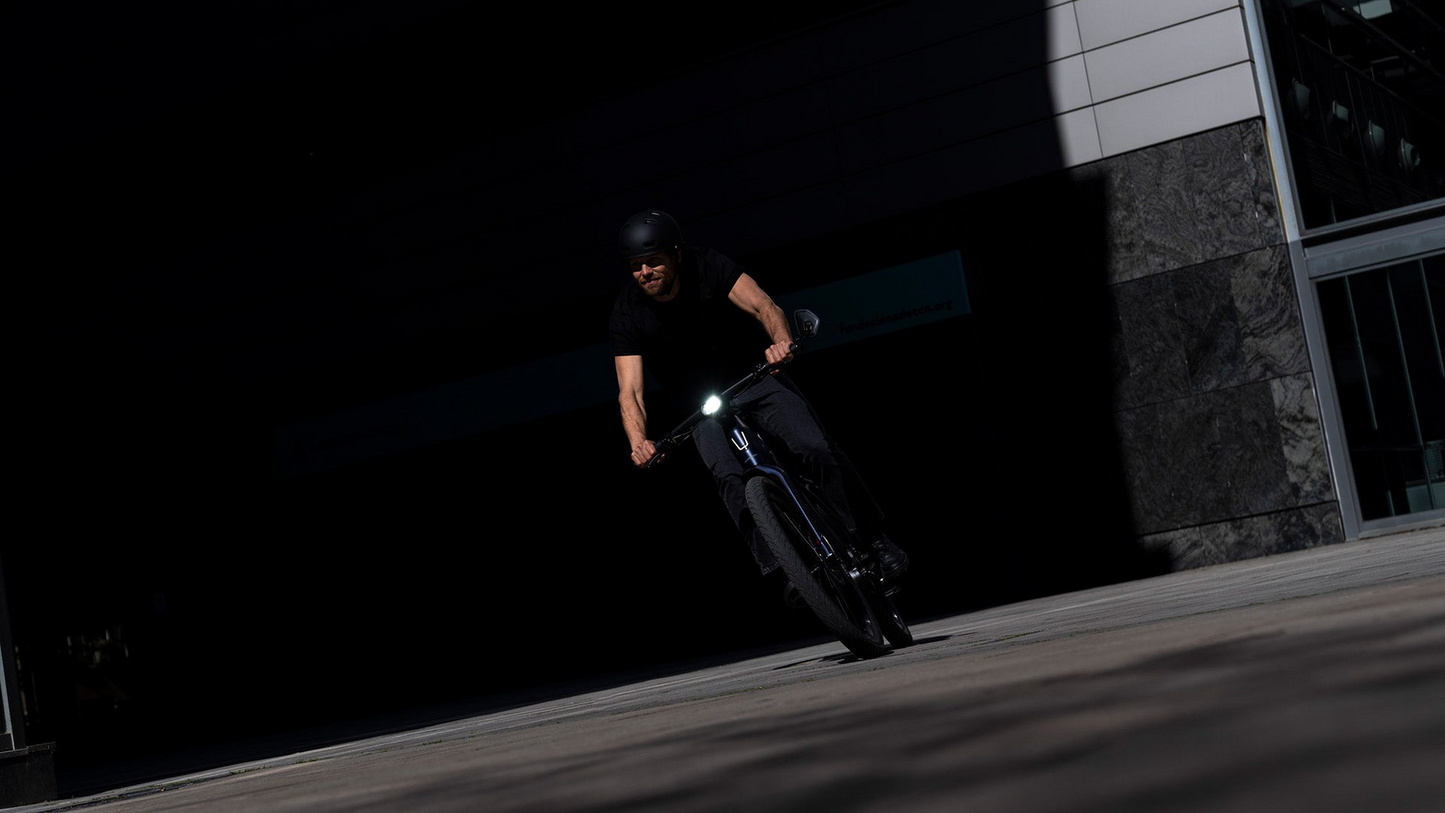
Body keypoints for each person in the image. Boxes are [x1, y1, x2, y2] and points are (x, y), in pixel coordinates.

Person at [607, 208, 908, 607]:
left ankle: (873, 537)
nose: (644, 272)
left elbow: (764, 306)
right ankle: (787, 568)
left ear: (676, 254)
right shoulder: (627, 312)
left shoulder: (708, 265)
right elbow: (630, 392)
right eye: (636, 266)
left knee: (813, 447)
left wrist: (780, 342)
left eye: (653, 261)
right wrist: (638, 442)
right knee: (729, 477)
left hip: (755, 377)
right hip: (699, 405)